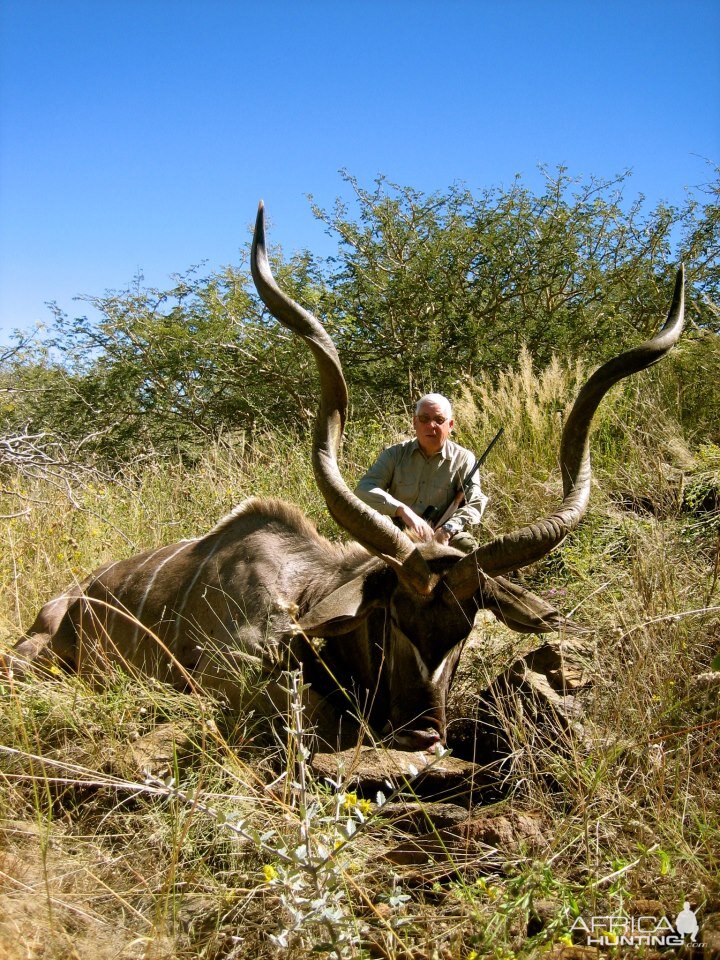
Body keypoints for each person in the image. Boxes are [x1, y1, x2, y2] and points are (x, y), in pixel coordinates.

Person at [355, 393, 487, 553]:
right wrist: (403, 511)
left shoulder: (464, 459)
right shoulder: (395, 454)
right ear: (415, 422)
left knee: (465, 545)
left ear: (450, 425)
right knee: (372, 530)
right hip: (397, 533)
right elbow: (364, 489)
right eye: (424, 419)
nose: (431, 425)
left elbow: (476, 502)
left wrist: (448, 529)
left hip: (440, 537)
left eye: (439, 420)